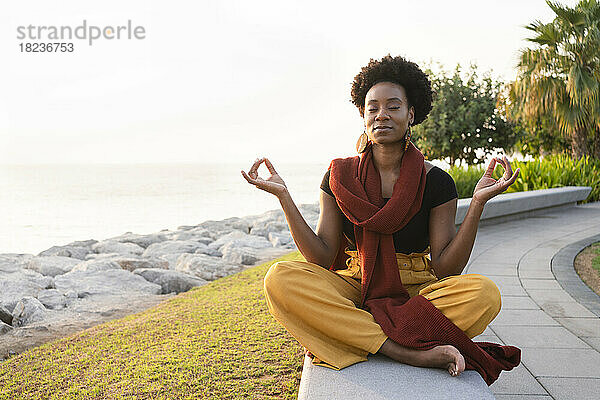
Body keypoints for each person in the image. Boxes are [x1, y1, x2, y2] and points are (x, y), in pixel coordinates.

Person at [241, 54, 521, 383]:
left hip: (415, 291)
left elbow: (446, 268)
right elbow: (321, 256)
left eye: (393, 106)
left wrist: (476, 204)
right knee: (279, 278)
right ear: (363, 115)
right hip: (354, 285)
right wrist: (284, 198)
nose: (381, 115)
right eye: (372, 108)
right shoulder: (338, 174)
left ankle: (353, 331)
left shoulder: (436, 181)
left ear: (411, 114)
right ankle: (403, 350)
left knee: (484, 294)